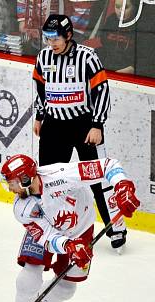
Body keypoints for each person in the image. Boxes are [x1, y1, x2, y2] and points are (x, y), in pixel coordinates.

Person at [0, 154, 139, 302]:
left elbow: (108, 165)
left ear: (26, 180)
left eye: (12, 184)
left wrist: (122, 186)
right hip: (52, 234)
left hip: (81, 229)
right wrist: (69, 246)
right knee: (27, 280)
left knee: (66, 289)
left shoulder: (61, 175)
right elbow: (46, 236)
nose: (10, 189)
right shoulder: (22, 208)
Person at [32, 14, 127, 251]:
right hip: (54, 126)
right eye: (47, 38)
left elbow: (102, 90)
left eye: (55, 38)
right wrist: (39, 115)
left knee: (99, 180)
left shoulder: (87, 57)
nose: (50, 43)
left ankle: (116, 227)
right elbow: (40, 89)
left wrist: (97, 124)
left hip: (84, 126)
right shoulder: (44, 57)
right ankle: (55, 227)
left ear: (69, 36)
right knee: (50, 179)